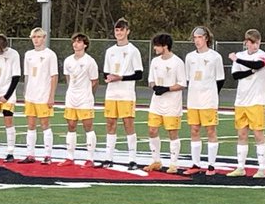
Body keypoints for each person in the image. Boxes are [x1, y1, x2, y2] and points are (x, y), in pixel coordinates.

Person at [227, 29, 265, 177]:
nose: (254, 46)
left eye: (257, 43)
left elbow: (259, 65)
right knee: (241, 134)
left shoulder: (263, 56)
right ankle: (240, 167)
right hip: (241, 101)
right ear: (247, 43)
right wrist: (250, 71)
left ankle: (262, 168)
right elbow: (236, 75)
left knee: (258, 134)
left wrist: (238, 61)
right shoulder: (241, 55)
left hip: (257, 101)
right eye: (251, 43)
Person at [183, 26, 225, 174]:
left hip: (209, 100)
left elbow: (220, 79)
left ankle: (211, 165)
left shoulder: (215, 57)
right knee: (194, 130)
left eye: (200, 37)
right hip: (193, 100)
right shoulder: (189, 57)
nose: (197, 40)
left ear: (206, 38)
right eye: (195, 38)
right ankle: (195, 164)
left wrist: (212, 94)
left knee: (210, 131)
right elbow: (188, 79)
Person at [102, 19, 143, 167]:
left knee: (128, 124)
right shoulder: (110, 51)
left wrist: (121, 77)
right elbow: (105, 72)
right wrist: (109, 78)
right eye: (116, 30)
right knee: (111, 124)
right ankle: (108, 158)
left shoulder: (133, 51)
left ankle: (132, 159)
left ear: (127, 31)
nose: (119, 33)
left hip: (126, 94)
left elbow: (139, 74)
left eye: (121, 30)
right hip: (112, 93)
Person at [145, 33, 187, 173]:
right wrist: (155, 87)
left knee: (172, 132)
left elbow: (182, 83)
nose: (155, 48)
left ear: (165, 46)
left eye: (157, 45)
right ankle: (156, 161)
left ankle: (173, 164)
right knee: (152, 130)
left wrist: (167, 89)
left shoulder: (177, 62)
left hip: (172, 104)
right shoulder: (155, 62)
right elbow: (151, 80)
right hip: (156, 103)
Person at [21, 27, 59, 164]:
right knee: (30, 125)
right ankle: (30, 154)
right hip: (31, 95)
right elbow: (27, 75)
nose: (36, 40)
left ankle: (48, 155)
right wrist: (25, 91)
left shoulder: (50, 55)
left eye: (38, 37)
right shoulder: (28, 54)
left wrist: (51, 96)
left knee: (45, 124)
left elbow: (54, 76)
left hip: (43, 95)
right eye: (34, 37)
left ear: (44, 38)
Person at [62, 33, 100, 167]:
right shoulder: (68, 61)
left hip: (85, 98)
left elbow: (95, 81)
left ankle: (90, 158)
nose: (75, 44)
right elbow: (68, 78)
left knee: (87, 126)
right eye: (74, 41)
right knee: (71, 125)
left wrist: (89, 94)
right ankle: (69, 157)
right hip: (71, 97)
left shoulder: (90, 61)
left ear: (85, 45)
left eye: (79, 42)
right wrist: (72, 90)